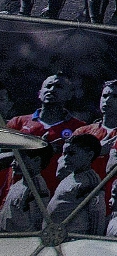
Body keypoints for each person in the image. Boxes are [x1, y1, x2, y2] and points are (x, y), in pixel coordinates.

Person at [2, 73, 86, 202]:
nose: (52, 90)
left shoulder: (79, 128)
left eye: (58, 86)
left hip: (55, 200)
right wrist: (33, 150)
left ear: (69, 95)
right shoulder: (18, 123)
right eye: (48, 86)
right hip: (15, 199)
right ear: (40, 93)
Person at [46, 132, 105, 235]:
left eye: (72, 154)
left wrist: (92, 242)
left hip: (74, 238)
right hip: (57, 235)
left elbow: (97, 216)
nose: (66, 158)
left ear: (89, 155)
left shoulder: (90, 182)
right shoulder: (70, 176)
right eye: (65, 154)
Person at [0, 145, 52, 232]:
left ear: (36, 160)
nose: (13, 163)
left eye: (18, 159)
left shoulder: (37, 188)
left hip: (19, 237)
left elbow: (38, 221)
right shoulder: (19, 184)